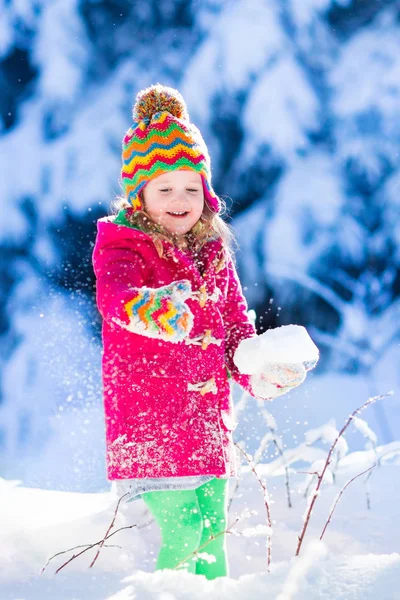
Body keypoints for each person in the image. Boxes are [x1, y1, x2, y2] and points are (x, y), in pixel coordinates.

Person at [92, 84, 315, 580]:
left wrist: (257, 371)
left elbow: (235, 329)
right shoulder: (122, 247)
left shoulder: (214, 253)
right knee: (185, 529)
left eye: (191, 188)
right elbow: (116, 300)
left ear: (206, 193)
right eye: (164, 189)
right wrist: (162, 312)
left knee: (214, 527)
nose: (179, 200)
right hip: (149, 420)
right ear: (140, 194)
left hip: (205, 422)